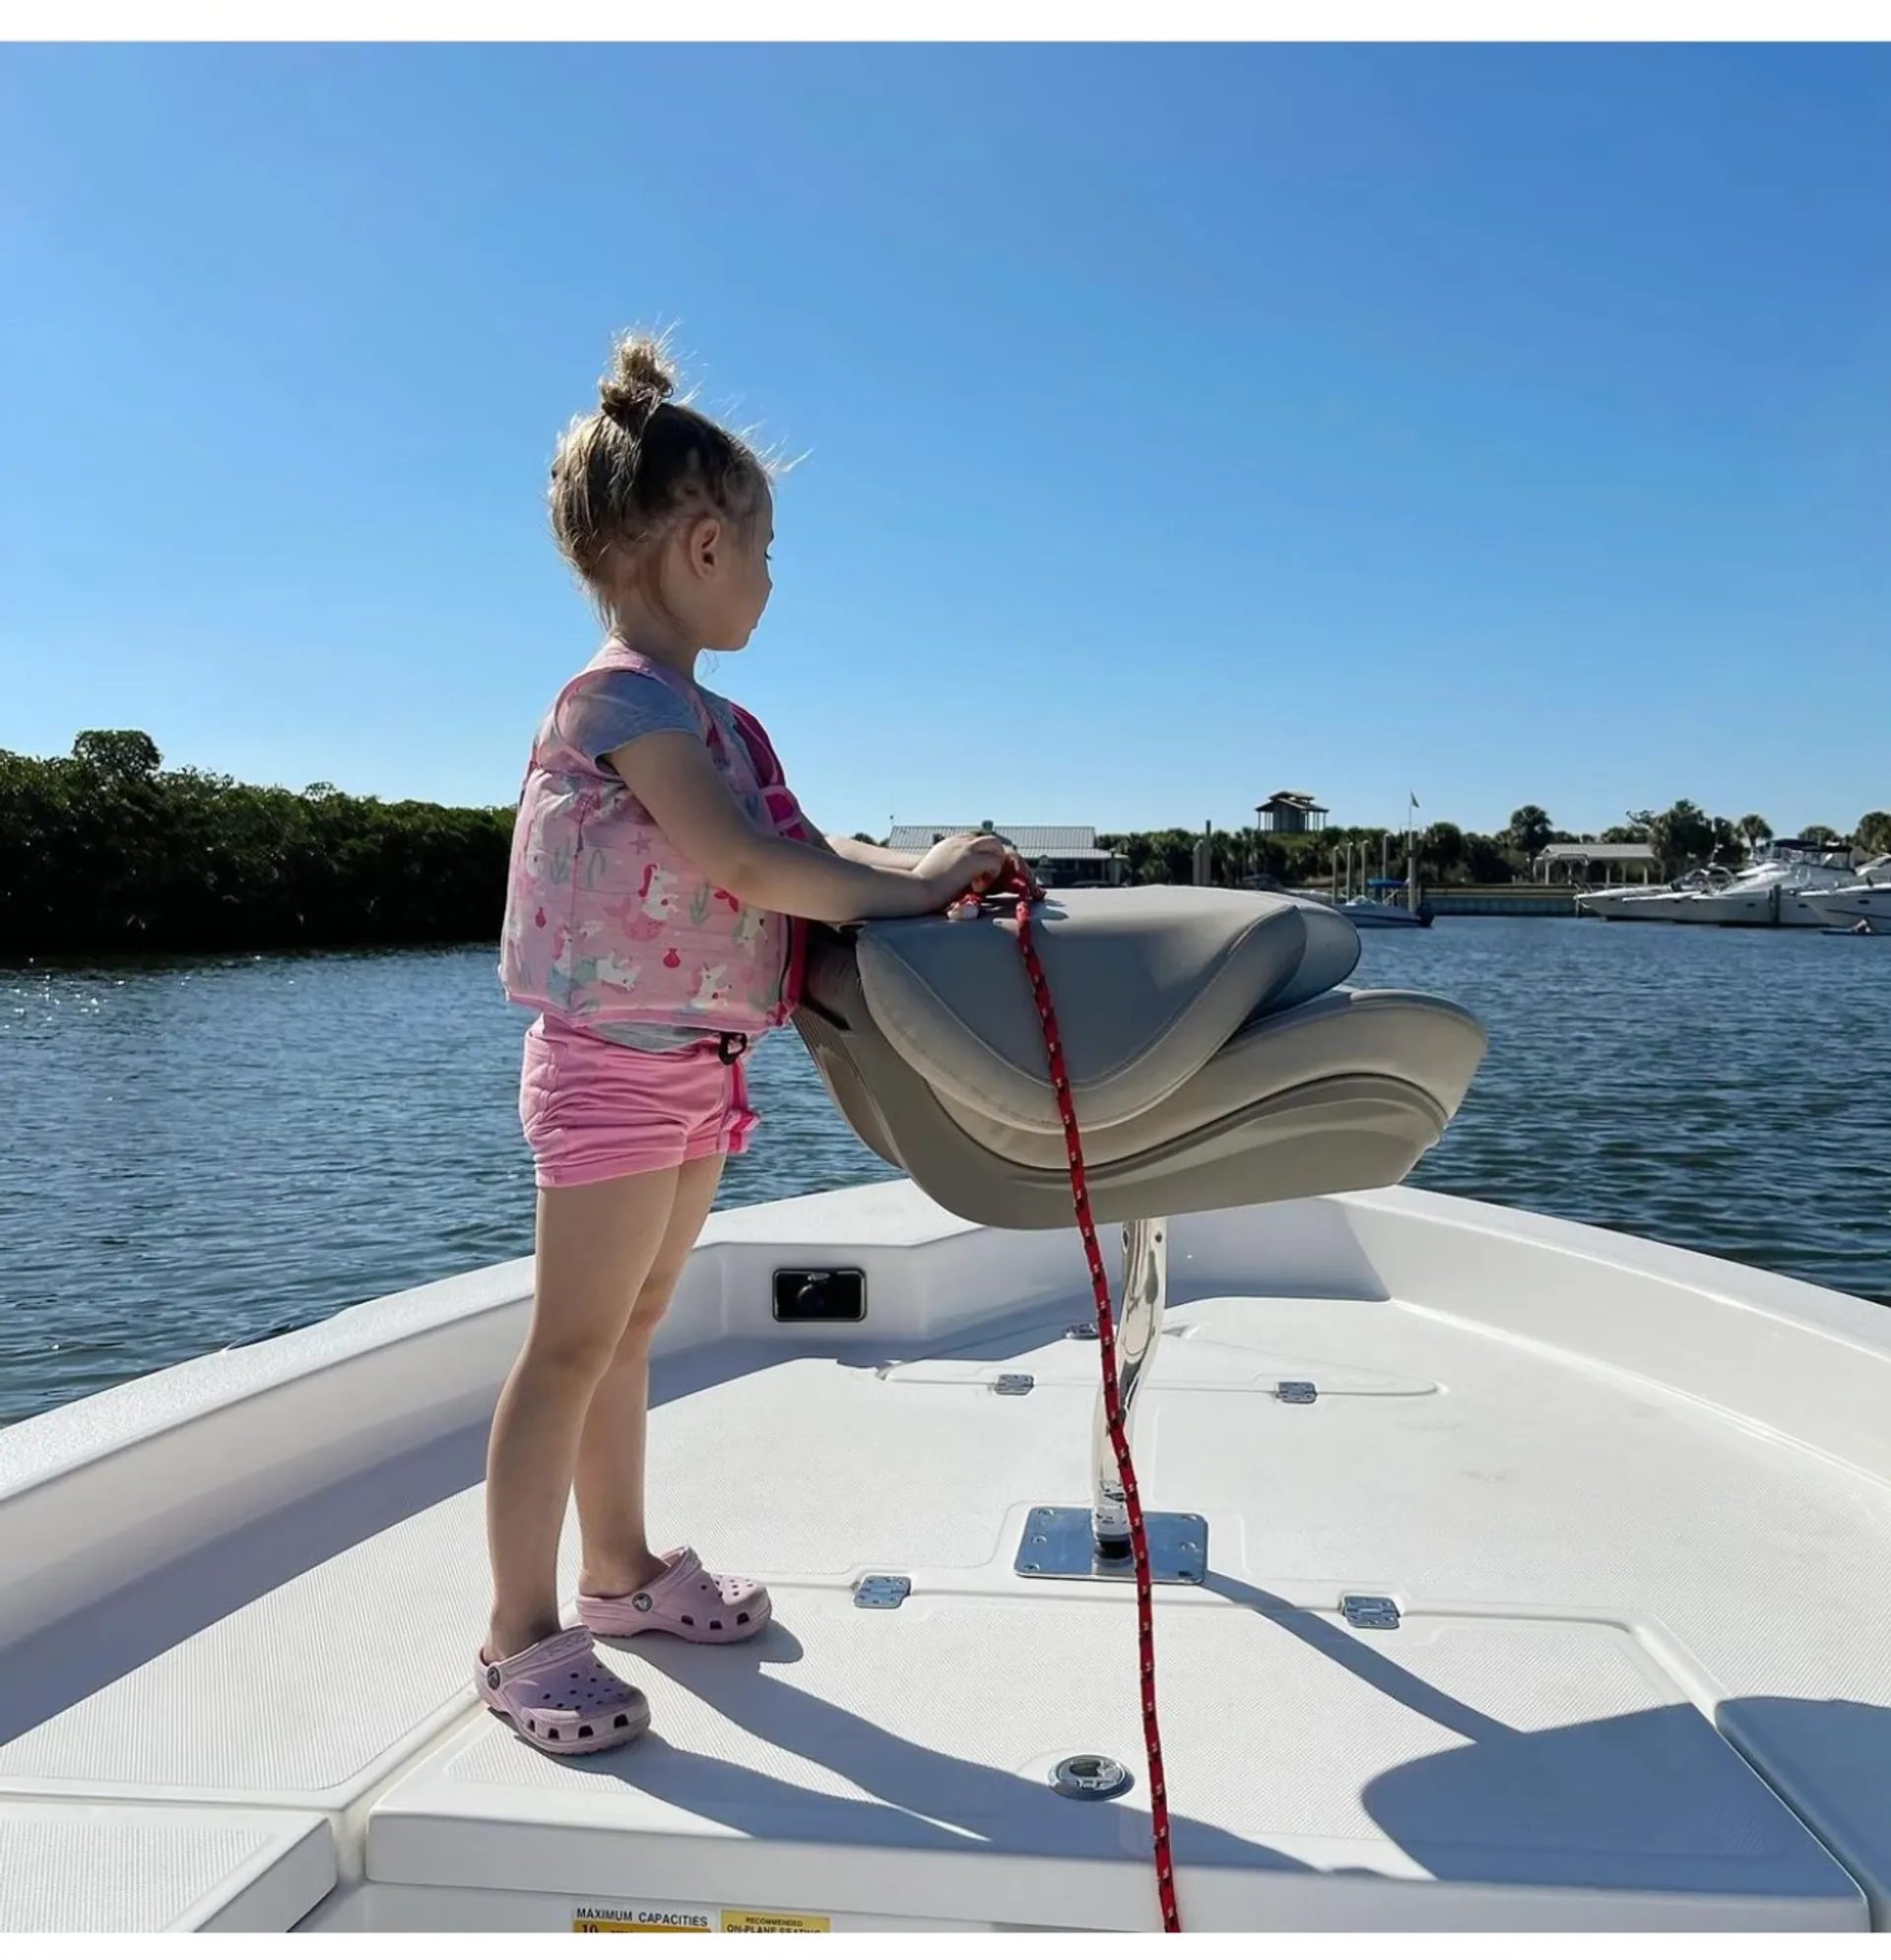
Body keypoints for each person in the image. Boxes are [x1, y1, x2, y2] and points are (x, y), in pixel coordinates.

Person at [481, 332, 1011, 1754]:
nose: (776, 577)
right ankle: (519, 1635)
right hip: (607, 1068)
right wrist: (902, 890)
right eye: (769, 548)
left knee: (635, 1328)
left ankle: (621, 1572)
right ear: (704, 545)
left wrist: (925, 869)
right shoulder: (615, 707)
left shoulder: (723, 721)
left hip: (699, 1072)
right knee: (571, 1344)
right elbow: (749, 868)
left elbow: (797, 842)